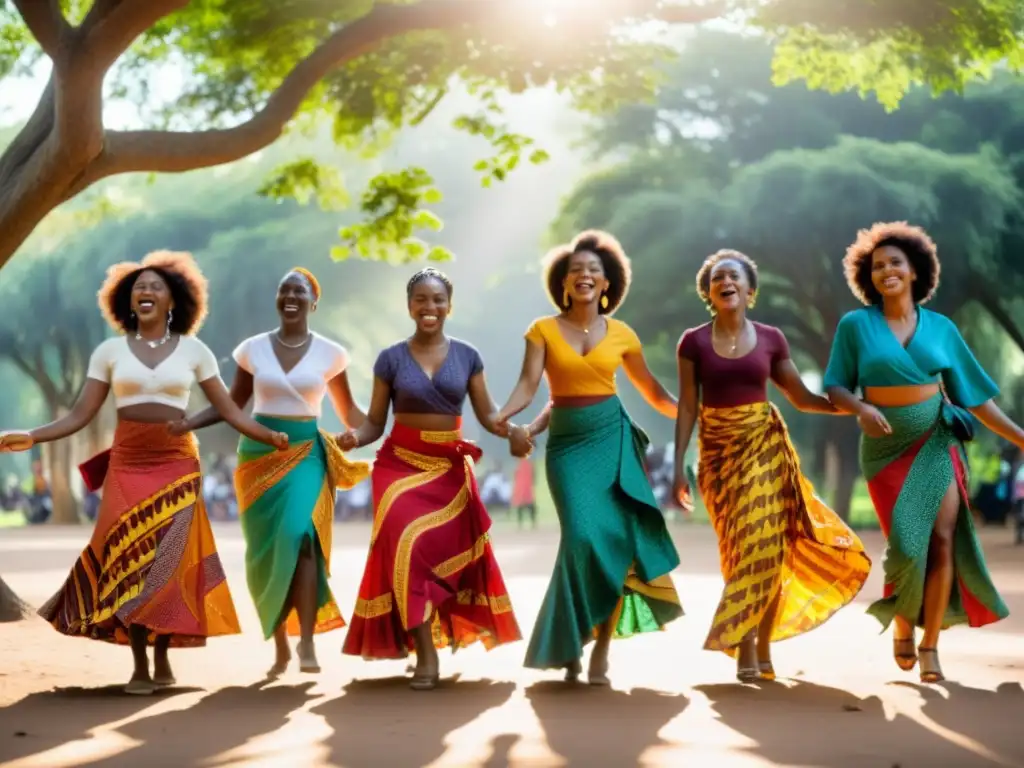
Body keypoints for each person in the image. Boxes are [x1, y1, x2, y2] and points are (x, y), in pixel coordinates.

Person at [0, 251, 288, 694]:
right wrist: (32, 436)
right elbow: (79, 414)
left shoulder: (195, 351)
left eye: (155, 286)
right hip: (128, 462)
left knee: (167, 561)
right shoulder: (109, 352)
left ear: (174, 301)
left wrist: (268, 436)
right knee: (128, 556)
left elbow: (230, 408)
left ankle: (162, 654)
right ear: (126, 302)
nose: (146, 292)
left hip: (177, 463)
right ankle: (138, 663)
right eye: (138, 288)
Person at [823, 221, 1024, 682]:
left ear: (916, 271)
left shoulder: (942, 329)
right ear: (867, 276)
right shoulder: (856, 325)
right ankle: (901, 623)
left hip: (935, 441)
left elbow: (977, 400)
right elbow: (835, 384)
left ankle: (930, 643)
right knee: (906, 545)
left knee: (941, 540)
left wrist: (1021, 438)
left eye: (896, 262)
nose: (887, 271)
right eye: (877, 266)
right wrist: (861, 408)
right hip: (883, 448)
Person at [673, 249, 871, 682]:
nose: (725, 282)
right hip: (718, 457)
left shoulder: (771, 339)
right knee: (740, 550)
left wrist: (854, 408)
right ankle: (755, 642)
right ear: (709, 292)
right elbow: (688, 406)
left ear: (749, 290)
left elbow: (800, 397)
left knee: (767, 544)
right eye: (717, 278)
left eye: (734, 276)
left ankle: (750, 644)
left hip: (764, 446)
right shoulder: (693, 341)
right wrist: (677, 468)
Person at [497, 230, 683, 686]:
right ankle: (571, 636)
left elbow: (653, 391)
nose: (584, 275)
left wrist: (694, 411)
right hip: (568, 449)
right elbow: (529, 385)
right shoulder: (542, 329)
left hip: (613, 442)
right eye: (576, 269)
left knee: (616, 545)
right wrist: (501, 419)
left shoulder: (622, 333)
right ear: (564, 282)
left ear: (606, 285)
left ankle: (599, 646)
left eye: (593, 271)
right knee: (582, 536)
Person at [171, 268, 369, 677]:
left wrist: (370, 431)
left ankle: (308, 642)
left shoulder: (331, 354)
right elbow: (232, 404)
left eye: (299, 290)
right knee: (266, 551)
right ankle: (279, 640)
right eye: (284, 290)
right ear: (277, 299)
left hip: (306, 454)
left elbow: (351, 413)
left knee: (302, 537)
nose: (291, 296)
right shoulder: (252, 350)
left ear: (314, 302)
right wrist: (186, 423)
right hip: (258, 455)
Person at [337, 268, 525, 690]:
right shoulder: (390, 358)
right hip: (400, 464)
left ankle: (434, 630)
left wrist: (512, 430)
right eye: (420, 299)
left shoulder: (468, 355)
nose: (429, 307)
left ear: (449, 306)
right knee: (407, 544)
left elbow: (489, 414)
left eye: (437, 299)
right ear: (409, 306)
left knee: (429, 550)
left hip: (448, 470)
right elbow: (373, 424)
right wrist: (354, 438)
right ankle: (424, 652)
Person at [511, 456, 537, 529]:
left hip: (526, 486)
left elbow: (533, 475)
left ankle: (531, 523)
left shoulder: (527, 464)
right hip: (522, 486)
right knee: (523, 505)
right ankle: (522, 523)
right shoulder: (520, 464)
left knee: (529, 505)